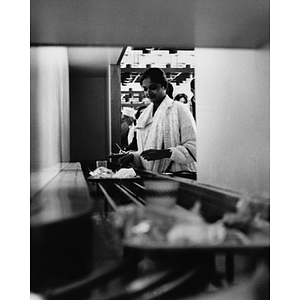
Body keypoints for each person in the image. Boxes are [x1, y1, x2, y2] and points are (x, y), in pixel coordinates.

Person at [119, 67, 197, 174]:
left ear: (164, 86)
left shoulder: (180, 109)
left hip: (180, 176)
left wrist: (166, 153)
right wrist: (133, 157)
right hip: (155, 177)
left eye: (153, 87)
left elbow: (193, 147)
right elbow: (146, 154)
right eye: (145, 89)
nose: (148, 92)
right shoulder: (145, 116)